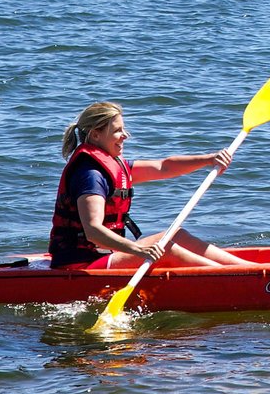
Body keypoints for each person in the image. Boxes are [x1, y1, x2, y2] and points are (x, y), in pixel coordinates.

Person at [47, 100, 248, 270]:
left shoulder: (113, 165)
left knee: (177, 234)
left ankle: (247, 270)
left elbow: (163, 167)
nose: (125, 135)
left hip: (102, 256)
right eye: (117, 131)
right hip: (80, 265)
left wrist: (208, 159)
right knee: (166, 247)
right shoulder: (90, 175)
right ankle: (243, 281)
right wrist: (138, 250)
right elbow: (93, 231)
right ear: (95, 134)